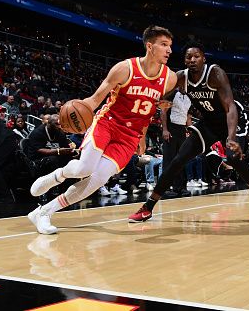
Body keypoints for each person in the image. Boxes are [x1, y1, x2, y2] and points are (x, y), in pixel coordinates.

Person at [28, 25, 176, 234]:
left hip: (130, 136)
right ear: (149, 46)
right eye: (164, 45)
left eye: (170, 46)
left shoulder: (170, 78)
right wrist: (77, 114)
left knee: (96, 180)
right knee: (84, 169)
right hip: (107, 123)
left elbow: (149, 109)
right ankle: (58, 175)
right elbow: (96, 99)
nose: (169, 50)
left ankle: (43, 212)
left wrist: (142, 137)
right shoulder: (125, 68)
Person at [128, 41, 249, 222]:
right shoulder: (181, 77)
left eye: (196, 56)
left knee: (233, 157)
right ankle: (148, 207)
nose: (192, 60)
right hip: (209, 123)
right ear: (185, 61)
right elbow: (160, 96)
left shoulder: (215, 74)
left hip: (232, 119)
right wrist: (162, 102)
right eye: (188, 57)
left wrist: (231, 138)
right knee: (178, 160)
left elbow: (230, 106)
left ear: (204, 58)